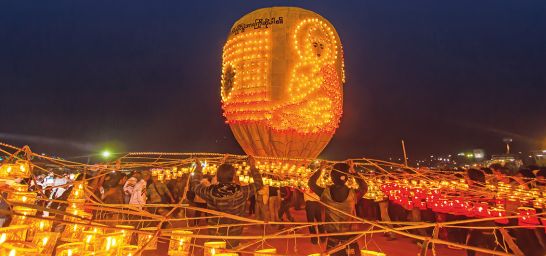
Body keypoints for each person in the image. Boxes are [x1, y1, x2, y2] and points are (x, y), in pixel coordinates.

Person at [191, 156, 263, 248]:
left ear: (217, 177)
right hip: (234, 236)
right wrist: (252, 166)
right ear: (233, 176)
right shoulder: (241, 192)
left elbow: (195, 185)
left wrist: (198, 168)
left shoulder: (210, 192)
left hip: (214, 235)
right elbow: (258, 184)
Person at [309, 161, 367, 256]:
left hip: (333, 240)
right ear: (346, 178)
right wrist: (353, 171)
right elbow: (364, 187)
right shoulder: (354, 194)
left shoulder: (325, 193)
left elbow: (311, 183)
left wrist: (321, 168)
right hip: (351, 240)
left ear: (332, 177)